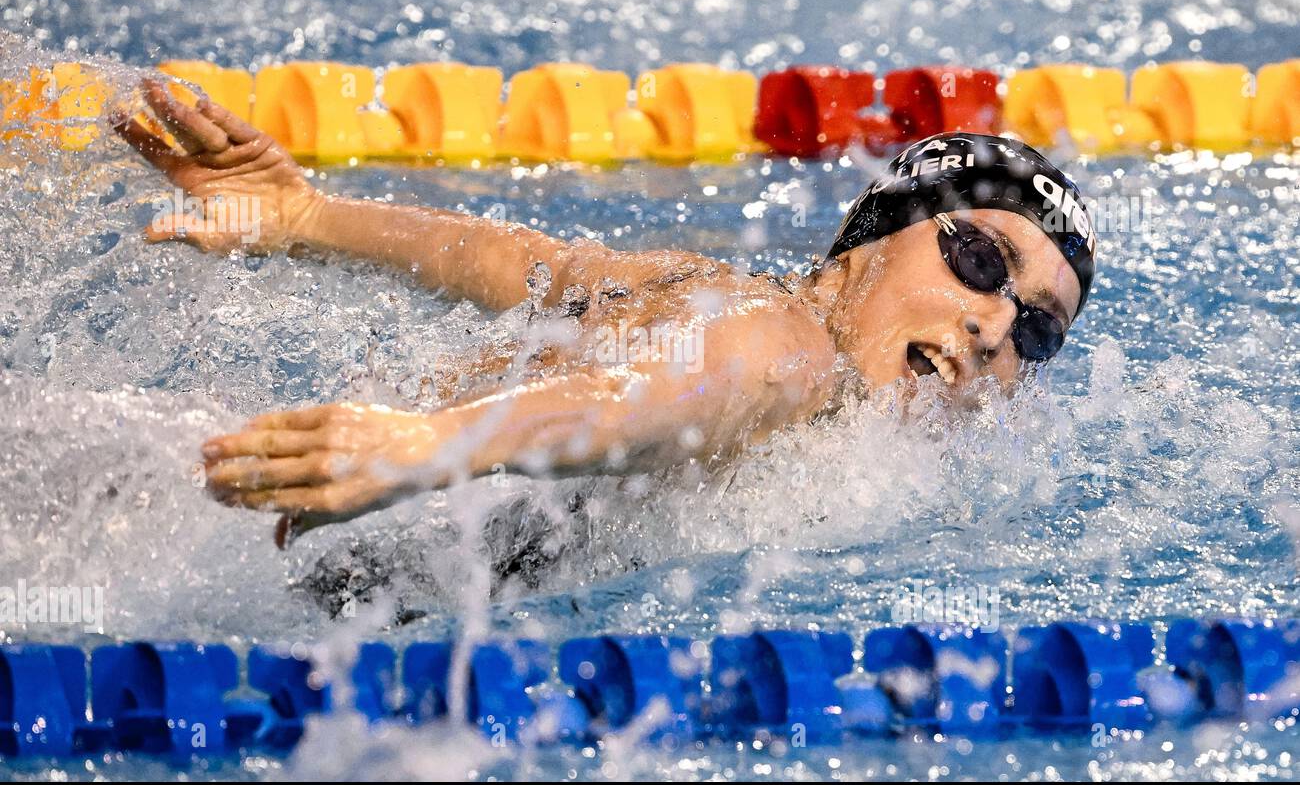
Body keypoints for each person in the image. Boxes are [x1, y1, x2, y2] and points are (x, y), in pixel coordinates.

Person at [113, 80, 1095, 542]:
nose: (998, 325)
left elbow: (526, 264)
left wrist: (311, 215)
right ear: (866, 238)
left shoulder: (690, 280)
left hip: (217, 486)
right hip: (287, 498)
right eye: (976, 257)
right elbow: (668, 394)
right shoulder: (790, 354)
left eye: (1041, 327)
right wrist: (427, 446)